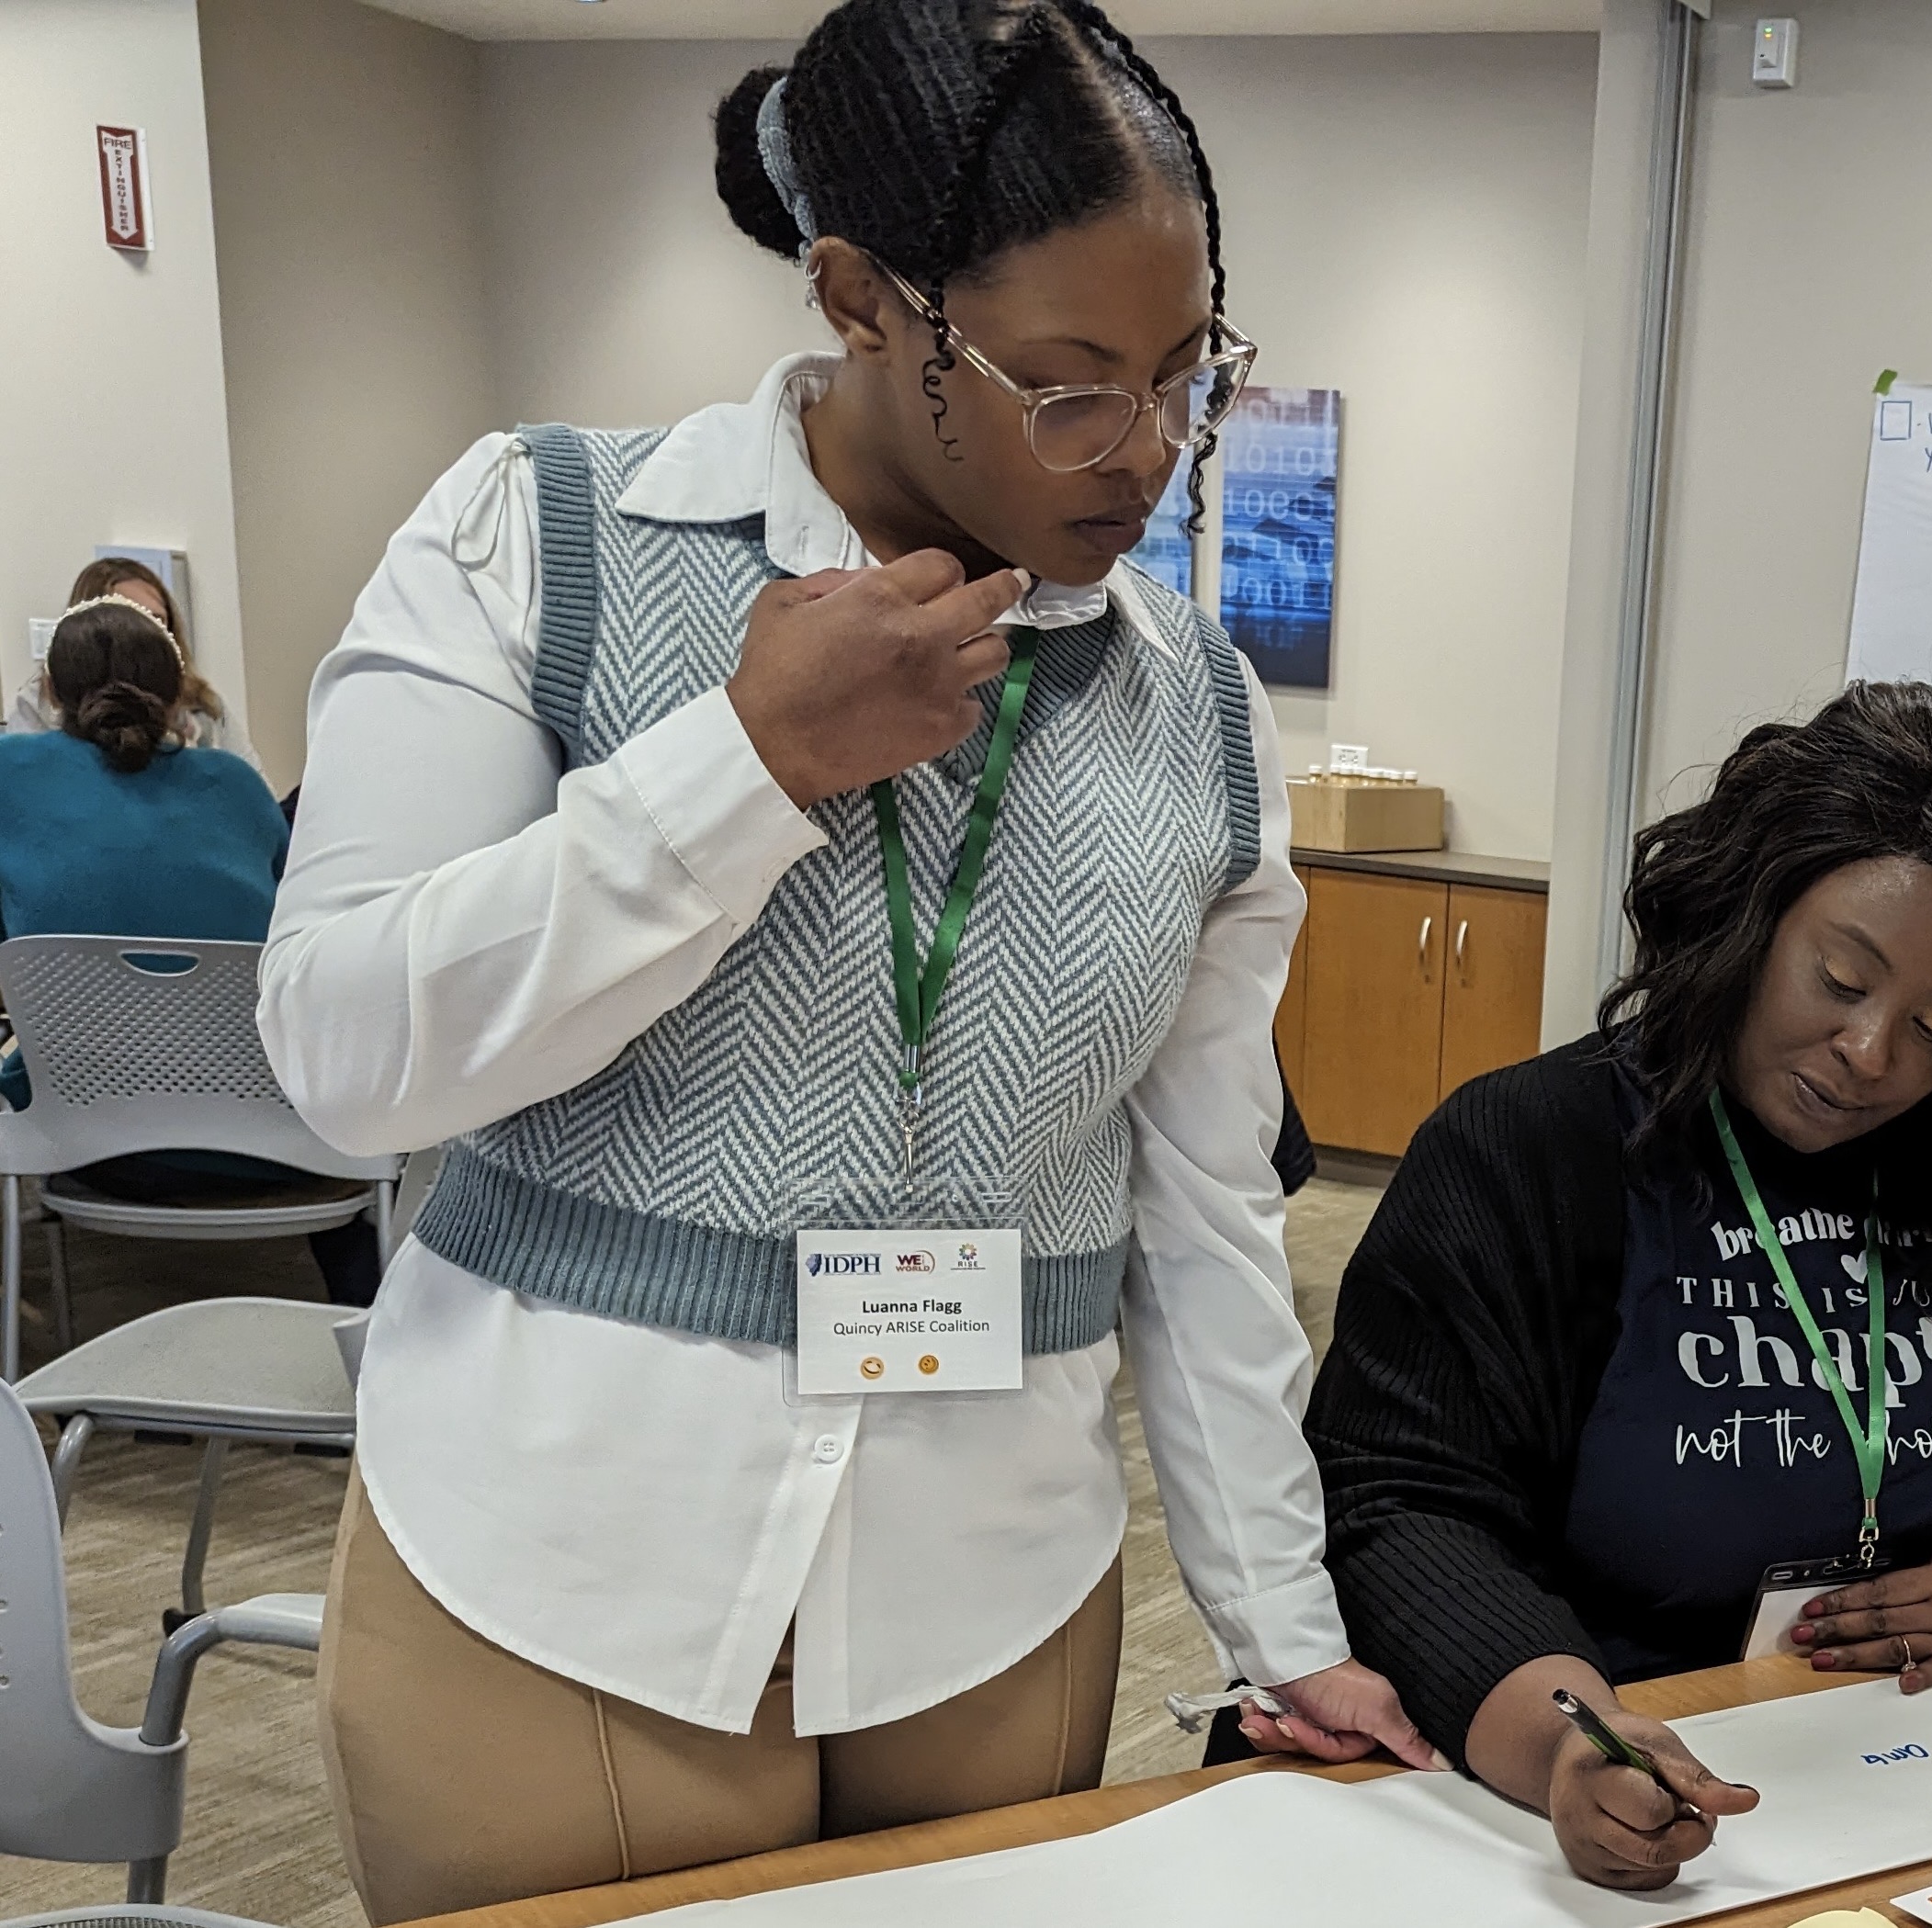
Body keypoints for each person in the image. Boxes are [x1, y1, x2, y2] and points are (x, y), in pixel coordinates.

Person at [255, 5, 1424, 1917]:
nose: (1142, 453)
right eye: (1067, 385)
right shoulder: (541, 538)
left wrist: (1278, 1623)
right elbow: (341, 1053)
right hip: (555, 1570)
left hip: (992, 1600)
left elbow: (1202, 1214)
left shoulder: (1196, 711)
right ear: (865, 297)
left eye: (1183, 370)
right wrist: (745, 764)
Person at [1302, 682, 1932, 1891]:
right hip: (1625, 1791)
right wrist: (1567, 1739)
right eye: (1838, 977)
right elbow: (1397, 1508)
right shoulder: (1530, 1148)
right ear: (1745, 918)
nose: (1873, 1055)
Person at [0, 598, 378, 1307]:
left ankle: (33, 1377)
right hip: (270, 1139)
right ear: (179, 694)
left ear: (50, 692)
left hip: (86, 1138)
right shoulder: (235, 786)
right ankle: (366, 1346)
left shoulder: (8, 773)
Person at [6, 557, 254, 761]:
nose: (145, 634)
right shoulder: (37, 706)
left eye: (157, 620)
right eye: (130, 617)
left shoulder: (204, 705)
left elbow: (257, 791)